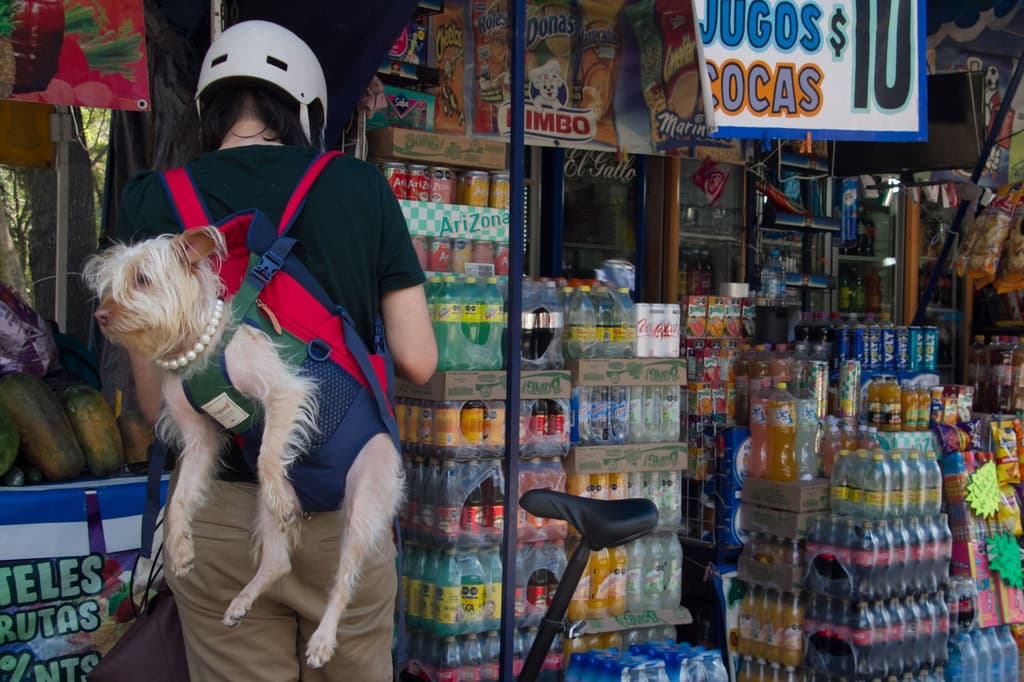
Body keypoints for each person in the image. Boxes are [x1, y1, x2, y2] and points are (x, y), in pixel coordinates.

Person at [114, 20, 436, 681]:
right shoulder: (359, 189)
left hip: (220, 522)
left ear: (211, 112)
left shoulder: (152, 200)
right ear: (308, 113)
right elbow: (418, 358)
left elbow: (157, 403)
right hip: (341, 509)